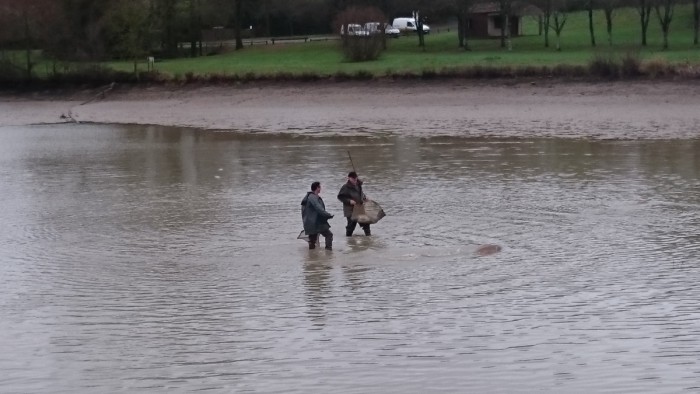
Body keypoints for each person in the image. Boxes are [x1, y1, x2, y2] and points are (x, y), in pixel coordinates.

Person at [301, 181, 334, 250]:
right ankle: (329, 253)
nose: (321, 188)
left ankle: (311, 256)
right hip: (316, 222)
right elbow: (318, 208)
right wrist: (328, 215)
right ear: (317, 188)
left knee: (312, 240)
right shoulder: (313, 197)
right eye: (320, 187)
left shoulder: (311, 196)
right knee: (329, 235)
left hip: (311, 222)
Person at [337, 171, 371, 236]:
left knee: (366, 223)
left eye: (355, 179)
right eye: (353, 179)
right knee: (351, 225)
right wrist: (349, 201)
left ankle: (368, 238)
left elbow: (360, 194)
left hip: (359, 208)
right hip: (350, 210)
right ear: (349, 178)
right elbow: (340, 197)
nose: (355, 181)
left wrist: (364, 198)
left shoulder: (358, 185)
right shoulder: (345, 187)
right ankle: (348, 239)